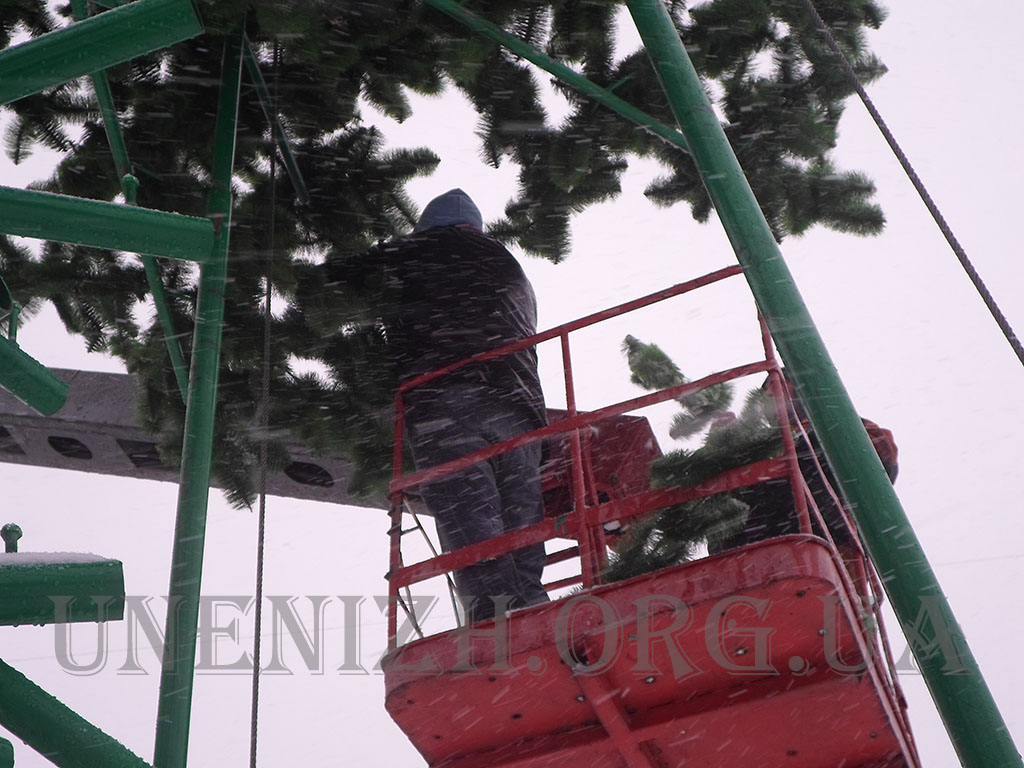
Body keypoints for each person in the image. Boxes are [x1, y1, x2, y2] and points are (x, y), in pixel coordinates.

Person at [335, 189, 549, 623]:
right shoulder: (510, 267)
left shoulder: (418, 251)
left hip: (447, 401)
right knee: (521, 524)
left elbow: (338, 284)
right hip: (520, 411)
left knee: (472, 524)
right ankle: (535, 611)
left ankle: (495, 624)